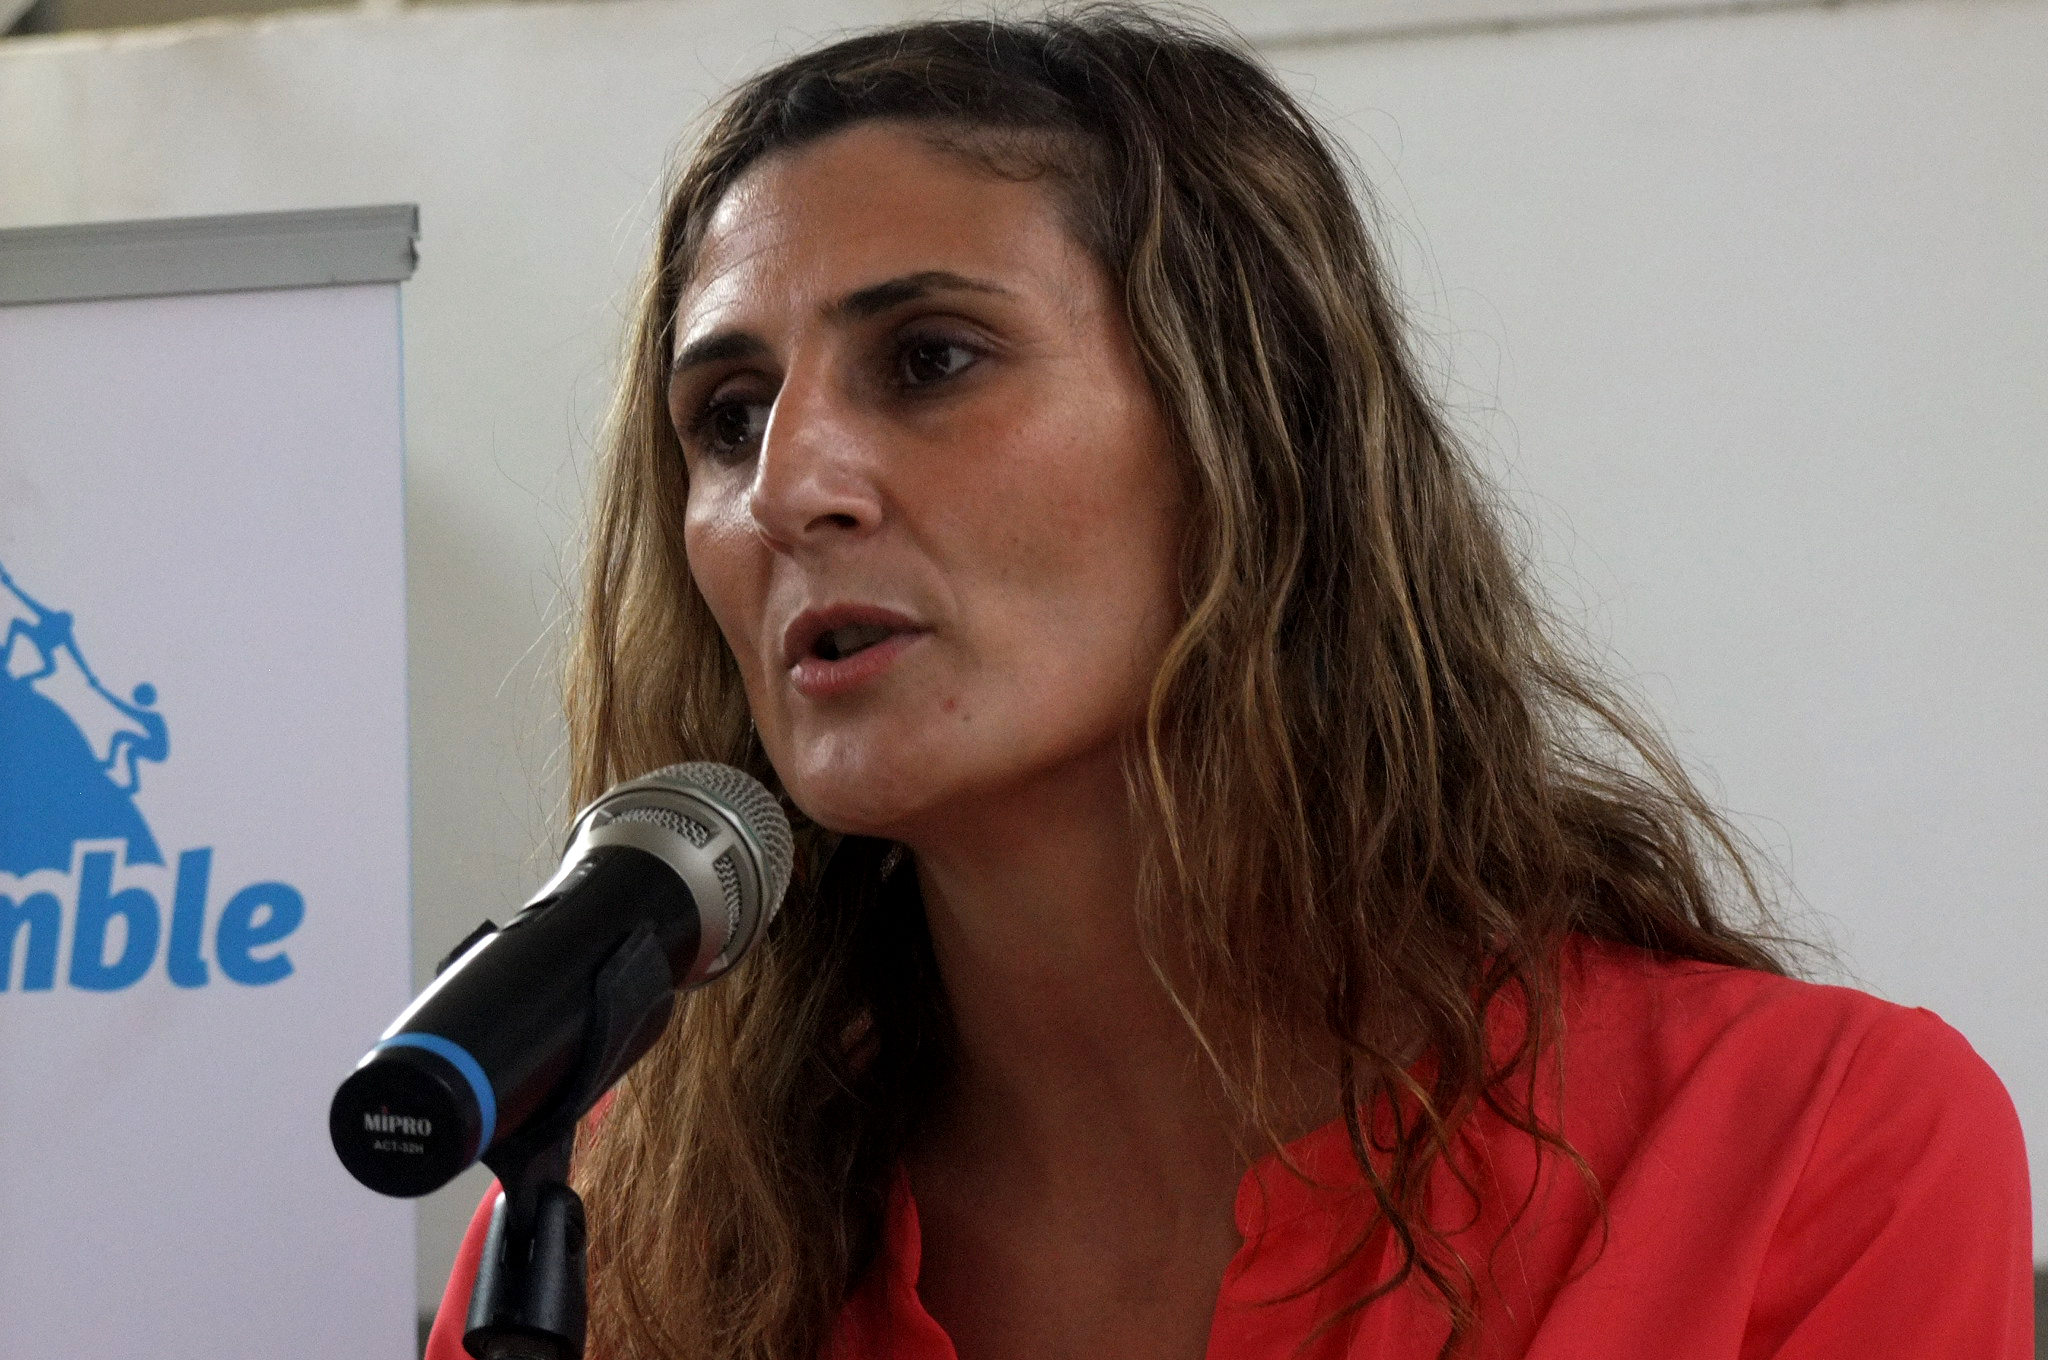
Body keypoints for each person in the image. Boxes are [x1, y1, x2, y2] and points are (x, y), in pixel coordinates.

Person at [427, 8, 2033, 1358]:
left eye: (928, 360)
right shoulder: (618, 1234)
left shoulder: (1807, 1145)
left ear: (1249, 434)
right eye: (726, 418)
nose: (787, 490)